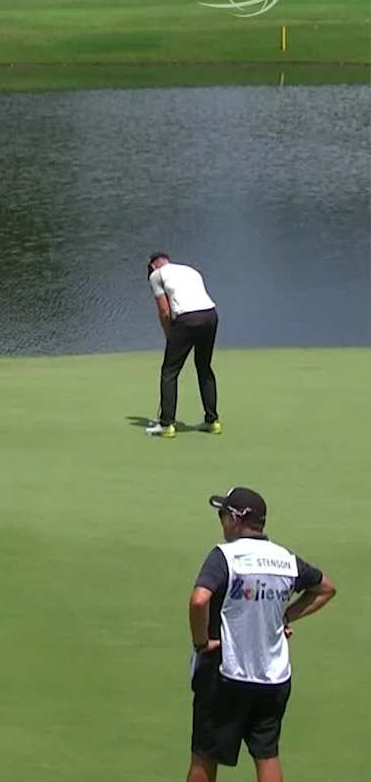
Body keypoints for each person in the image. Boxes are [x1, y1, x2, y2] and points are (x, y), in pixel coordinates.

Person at [187, 487, 336, 782]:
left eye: (222, 515)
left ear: (235, 519)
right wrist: (285, 616)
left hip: (226, 673)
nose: (221, 522)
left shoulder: (225, 556)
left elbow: (199, 600)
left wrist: (200, 642)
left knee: (205, 755)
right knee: (267, 755)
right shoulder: (285, 559)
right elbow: (326, 588)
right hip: (274, 677)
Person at [145, 252, 219, 438]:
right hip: (210, 315)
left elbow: (164, 310)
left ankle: (167, 424)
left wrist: (169, 335)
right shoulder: (190, 270)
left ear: (153, 267)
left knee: (169, 372)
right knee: (204, 367)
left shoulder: (156, 275)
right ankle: (212, 421)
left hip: (187, 319)